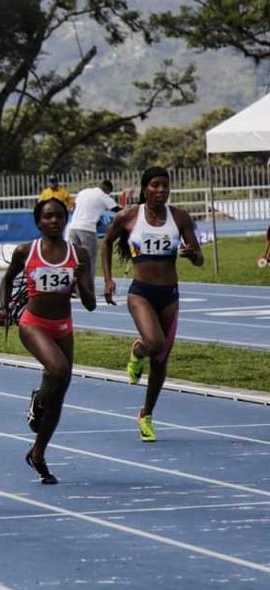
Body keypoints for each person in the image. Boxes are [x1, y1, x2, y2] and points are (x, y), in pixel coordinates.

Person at [0, 199, 96, 484]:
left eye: (59, 216)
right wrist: (3, 307)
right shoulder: (26, 251)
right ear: (38, 222)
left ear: (66, 220)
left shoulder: (80, 254)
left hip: (63, 327)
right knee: (58, 370)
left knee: (60, 391)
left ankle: (37, 454)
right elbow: (7, 280)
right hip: (33, 324)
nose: (54, 221)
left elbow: (90, 304)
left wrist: (79, 283)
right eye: (48, 216)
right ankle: (37, 400)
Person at [101, 167, 204, 442]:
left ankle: (146, 414)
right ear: (145, 189)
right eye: (155, 185)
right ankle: (138, 349)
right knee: (154, 344)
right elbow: (107, 242)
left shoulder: (180, 217)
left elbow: (199, 259)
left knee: (160, 360)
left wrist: (193, 255)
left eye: (165, 186)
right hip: (141, 293)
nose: (161, 190)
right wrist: (108, 280)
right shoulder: (129, 216)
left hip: (170, 294)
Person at [66, 179, 119, 284]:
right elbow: (117, 209)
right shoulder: (103, 195)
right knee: (89, 259)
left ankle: (71, 286)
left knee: (73, 258)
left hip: (73, 228)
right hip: (87, 230)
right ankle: (88, 286)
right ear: (108, 190)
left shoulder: (83, 192)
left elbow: (76, 209)